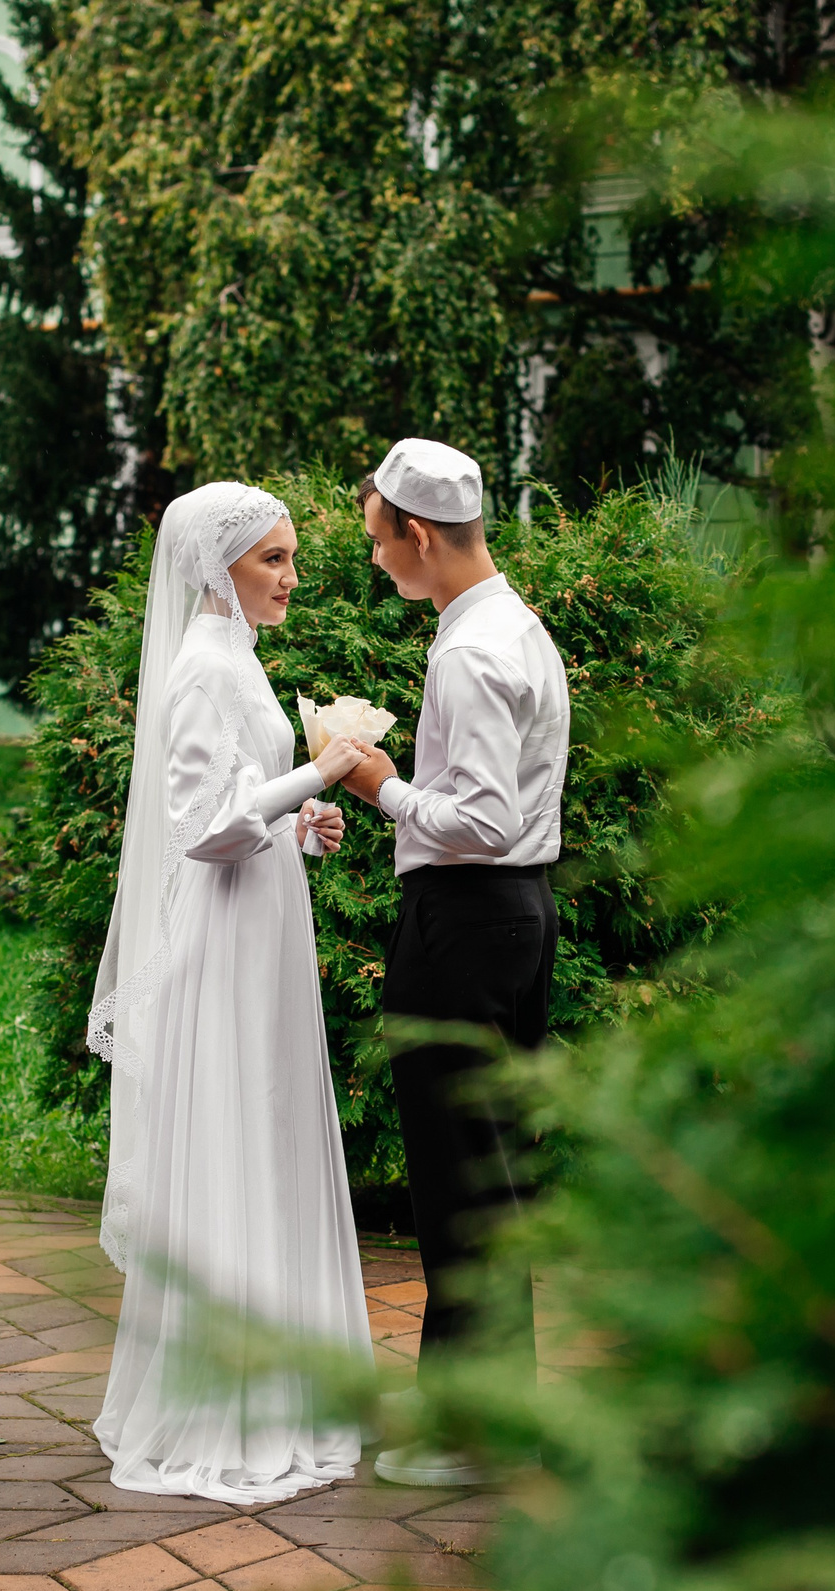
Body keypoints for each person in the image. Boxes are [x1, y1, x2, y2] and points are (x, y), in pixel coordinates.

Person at [87, 482, 377, 1505]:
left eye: (291, 558)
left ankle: (275, 1383)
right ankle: (225, 1405)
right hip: (227, 936)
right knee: (237, 1135)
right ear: (218, 567)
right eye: (273, 560)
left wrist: (306, 825)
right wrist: (318, 776)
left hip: (262, 918)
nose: (291, 577)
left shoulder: (237, 663)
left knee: (271, 1131)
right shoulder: (204, 671)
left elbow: (243, 818)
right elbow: (200, 826)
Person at [339, 439, 570, 1488]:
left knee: (459, 1182)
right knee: (492, 1174)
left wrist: (378, 784)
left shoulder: (469, 652)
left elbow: (483, 817)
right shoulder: (516, 624)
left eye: (380, 545)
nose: (379, 564)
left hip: (468, 922)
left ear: (418, 535)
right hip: (514, 919)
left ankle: (471, 1438)